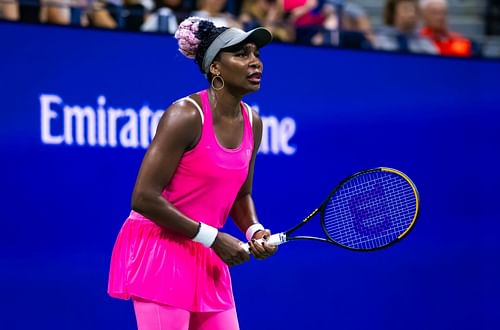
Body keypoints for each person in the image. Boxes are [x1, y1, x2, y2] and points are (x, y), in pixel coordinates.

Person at [108, 16, 278, 330]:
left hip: (209, 254)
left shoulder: (254, 123)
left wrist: (254, 230)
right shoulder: (185, 115)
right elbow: (144, 198)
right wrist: (213, 238)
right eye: (241, 54)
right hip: (161, 250)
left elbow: (241, 194)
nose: (255, 62)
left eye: (256, 54)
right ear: (215, 67)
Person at [373, 0, 437, 54]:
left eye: (414, 10)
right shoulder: (379, 40)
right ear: (393, 12)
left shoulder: (424, 42)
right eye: (406, 9)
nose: (412, 14)